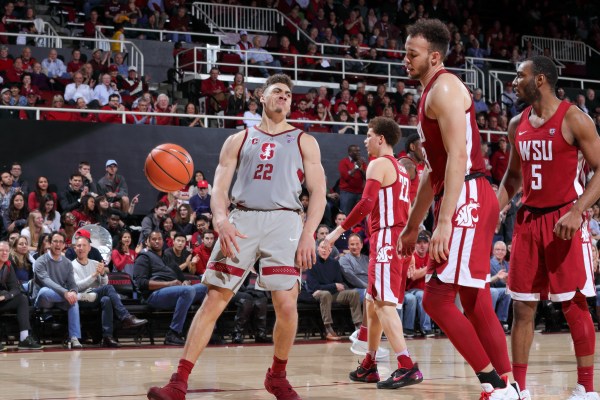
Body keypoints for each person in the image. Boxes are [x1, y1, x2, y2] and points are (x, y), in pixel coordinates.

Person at [147, 74, 326, 400]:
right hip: (241, 219)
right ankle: (178, 382)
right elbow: (219, 189)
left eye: (288, 94)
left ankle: (277, 376)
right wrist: (221, 219)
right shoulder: (239, 139)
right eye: (277, 92)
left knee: (286, 305)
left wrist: (308, 234)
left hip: (285, 220)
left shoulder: (304, 140)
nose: (284, 97)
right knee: (215, 299)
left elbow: (319, 193)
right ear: (262, 96)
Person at [399, 19, 520, 399]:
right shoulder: (430, 93)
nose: (405, 60)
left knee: (436, 299)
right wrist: (412, 226)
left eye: (412, 54)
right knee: (474, 297)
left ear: (434, 57)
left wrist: (445, 221)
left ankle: (494, 385)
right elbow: (430, 173)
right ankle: (512, 386)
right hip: (462, 193)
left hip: (466, 193)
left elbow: (456, 158)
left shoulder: (446, 87)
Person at [497, 55, 600, 400]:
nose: (513, 81)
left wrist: (578, 211)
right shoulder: (517, 123)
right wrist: (493, 211)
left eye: (519, 75)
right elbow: (512, 177)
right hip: (528, 221)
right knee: (522, 306)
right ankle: (520, 389)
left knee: (574, 304)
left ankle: (587, 389)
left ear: (540, 79)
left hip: (564, 220)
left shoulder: (574, 118)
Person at [325, 117, 423, 390]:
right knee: (372, 300)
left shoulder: (379, 164)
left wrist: (336, 233)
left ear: (381, 139)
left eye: (368, 135)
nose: (365, 140)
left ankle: (406, 365)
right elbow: (409, 207)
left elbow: (366, 203)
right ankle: (369, 364)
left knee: (382, 304)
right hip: (400, 238)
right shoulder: (403, 170)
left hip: (387, 238)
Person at [133, 231, 208, 346]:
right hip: (153, 295)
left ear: (163, 241)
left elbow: (181, 276)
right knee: (187, 291)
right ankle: (173, 333)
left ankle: (206, 332)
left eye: (159, 238)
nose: (157, 241)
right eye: (153, 239)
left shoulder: (166, 256)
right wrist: (169, 284)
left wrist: (185, 282)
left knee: (206, 287)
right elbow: (141, 283)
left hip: (172, 291)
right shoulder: (143, 257)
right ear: (148, 242)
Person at [72, 234, 147, 347]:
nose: (81, 248)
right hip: (82, 298)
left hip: (96, 297)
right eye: (78, 246)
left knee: (107, 299)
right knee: (108, 290)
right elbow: (77, 287)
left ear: (89, 248)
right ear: (74, 248)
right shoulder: (71, 265)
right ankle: (125, 317)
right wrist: (94, 275)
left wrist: (102, 274)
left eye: (84, 245)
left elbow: (104, 284)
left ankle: (107, 337)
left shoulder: (95, 263)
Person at [33, 231, 87, 349]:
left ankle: (74, 337)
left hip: (61, 299)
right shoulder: (40, 261)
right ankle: (78, 296)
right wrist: (66, 293)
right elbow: (46, 281)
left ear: (64, 245)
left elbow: (72, 283)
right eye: (55, 241)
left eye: (61, 242)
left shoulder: (67, 263)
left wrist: (72, 291)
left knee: (73, 300)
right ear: (50, 243)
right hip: (44, 299)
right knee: (45, 291)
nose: (58, 244)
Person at [307, 239, 362, 340]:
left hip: (333, 293)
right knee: (325, 294)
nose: (325, 250)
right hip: (317, 294)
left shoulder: (334, 263)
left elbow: (340, 283)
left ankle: (358, 326)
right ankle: (328, 328)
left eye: (327, 248)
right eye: (322, 247)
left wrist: (335, 286)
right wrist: (333, 286)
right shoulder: (312, 262)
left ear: (331, 249)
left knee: (353, 293)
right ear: (317, 248)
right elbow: (314, 287)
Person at [0, 241, 43, 351]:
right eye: (1, 250)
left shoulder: (8, 266)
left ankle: (24, 339)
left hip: (2, 300)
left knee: (22, 299)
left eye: (6, 250)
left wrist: (6, 296)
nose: (4, 253)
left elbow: (15, 288)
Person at [231, 272, 271, 344]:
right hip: (239, 291)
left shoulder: (259, 267)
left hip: (257, 292)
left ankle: (260, 333)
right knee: (246, 300)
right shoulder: (242, 265)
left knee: (261, 300)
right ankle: (237, 334)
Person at [338, 144, 366, 215]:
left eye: (359, 151)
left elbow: (366, 177)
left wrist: (361, 169)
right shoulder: (343, 162)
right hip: (347, 192)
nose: (358, 153)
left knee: (358, 215)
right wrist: (356, 167)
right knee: (345, 214)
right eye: (356, 151)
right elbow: (346, 177)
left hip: (359, 193)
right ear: (350, 152)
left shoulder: (362, 162)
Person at [489, 241, 511, 331]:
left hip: (501, 290)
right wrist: (497, 277)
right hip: (490, 288)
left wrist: (508, 281)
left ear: (506, 252)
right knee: (494, 292)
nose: (500, 252)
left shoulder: (507, 265)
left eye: (502, 250)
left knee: (507, 291)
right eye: (497, 249)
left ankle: (500, 321)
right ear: (493, 251)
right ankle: (490, 321)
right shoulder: (488, 263)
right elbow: (486, 282)